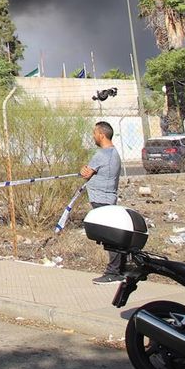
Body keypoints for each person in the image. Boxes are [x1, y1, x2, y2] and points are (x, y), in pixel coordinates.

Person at [81, 120, 124, 284]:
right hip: (108, 200)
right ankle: (119, 269)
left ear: (102, 134)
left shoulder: (102, 154)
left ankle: (114, 272)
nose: (93, 136)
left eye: (94, 133)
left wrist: (85, 170)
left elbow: (86, 174)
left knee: (110, 239)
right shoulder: (113, 153)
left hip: (101, 202)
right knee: (110, 237)